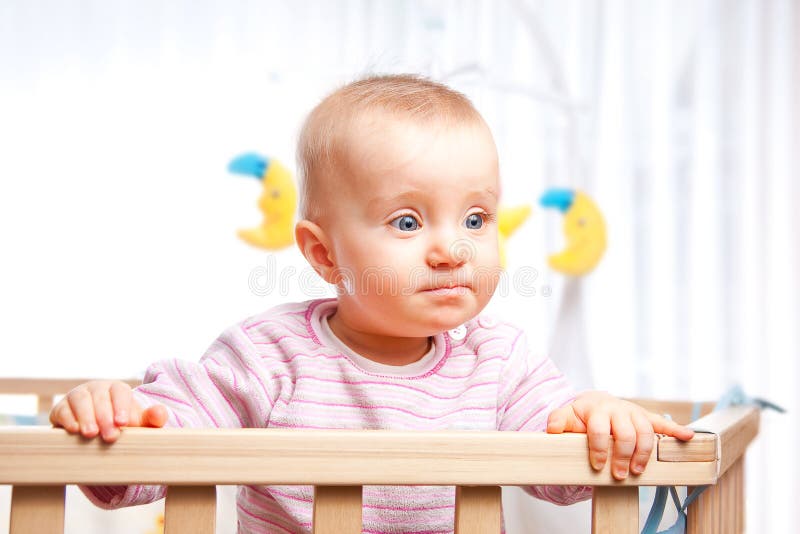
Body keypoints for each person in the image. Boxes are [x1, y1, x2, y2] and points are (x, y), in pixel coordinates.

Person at [49, 74, 694, 533]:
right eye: (408, 222)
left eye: (476, 218)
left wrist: (594, 420)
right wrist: (119, 418)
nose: (453, 250)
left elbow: (559, 471)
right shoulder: (267, 355)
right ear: (324, 255)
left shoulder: (500, 359)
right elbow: (151, 458)